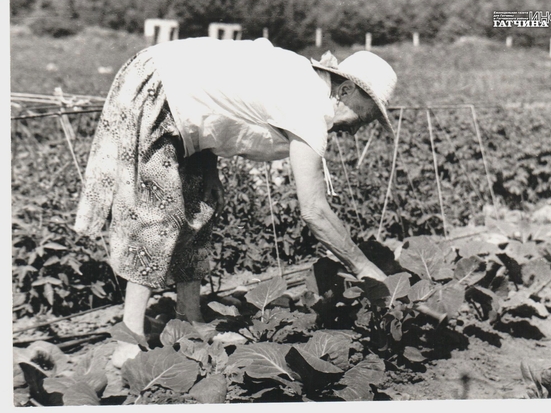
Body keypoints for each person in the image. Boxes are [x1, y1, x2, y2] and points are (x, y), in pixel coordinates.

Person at [74, 36, 398, 367]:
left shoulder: (306, 87)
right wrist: (362, 267)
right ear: (345, 92)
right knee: (155, 217)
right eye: (363, 117)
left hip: (183, 105)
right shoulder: (309, 105)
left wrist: (209, 168)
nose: (357, 131)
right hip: (158, 85)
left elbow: (221, 101)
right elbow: (314, 211)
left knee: (199, 209)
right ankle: (129, 339)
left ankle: (188, 318)